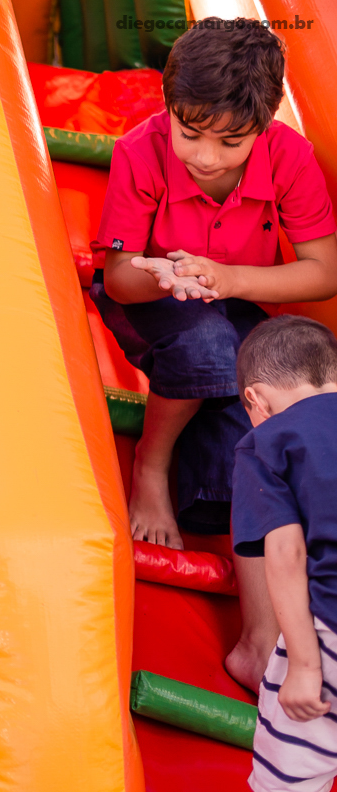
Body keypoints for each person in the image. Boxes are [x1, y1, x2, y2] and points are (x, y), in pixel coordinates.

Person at [89, 19, 337, 689]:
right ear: (169, 111)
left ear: (262, 126)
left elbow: (324, 269)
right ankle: (154, 461)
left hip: (232, 301)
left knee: (268, 441)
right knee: (208, 346)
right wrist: (174, 273)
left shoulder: (288, 156)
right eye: (189, 132)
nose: (204, 155)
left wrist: (228, 279)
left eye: (229, 142)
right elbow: (117, 277)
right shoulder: (142, 150)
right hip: (149, 291)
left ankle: (262, 643)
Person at [229, 316, 337, 792]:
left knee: (289, 776)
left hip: (330, 630)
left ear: (255, 399)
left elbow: (287, 554)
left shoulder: (266, 441)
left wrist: (304, 665)